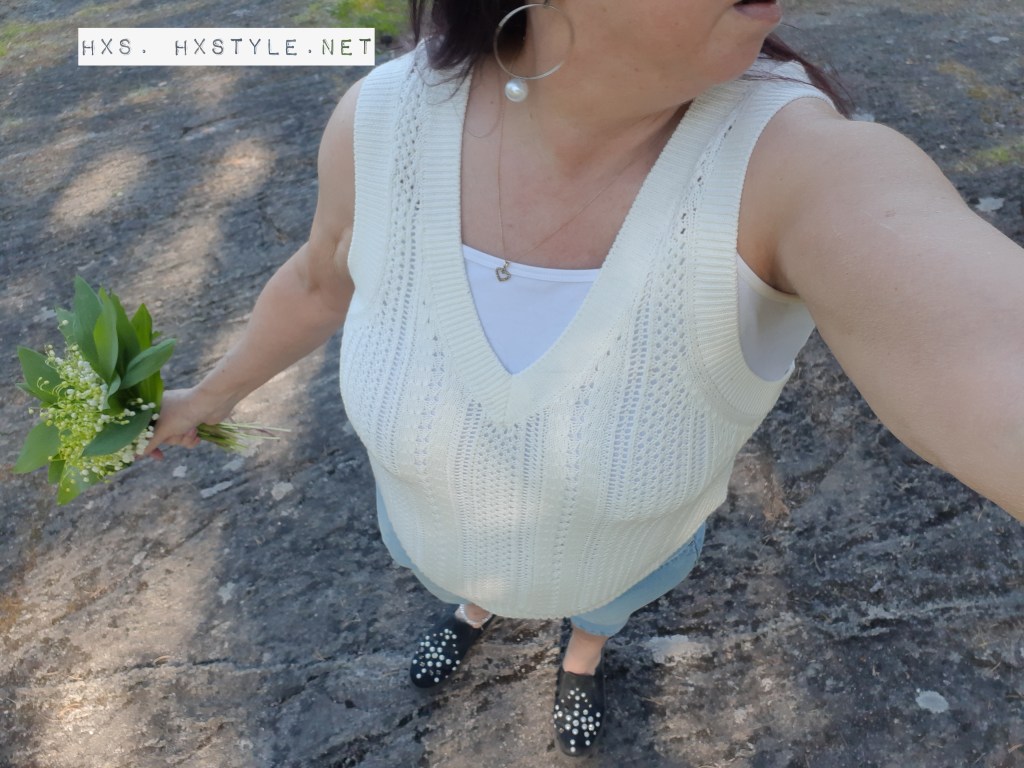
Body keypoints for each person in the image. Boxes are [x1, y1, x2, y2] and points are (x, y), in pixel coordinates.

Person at [147, 0, 1024, 756]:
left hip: (627, 562)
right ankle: (475, 609)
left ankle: (583, 656)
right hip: (431, 539)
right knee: (471, 583)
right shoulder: (381, 119)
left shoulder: (802, 169)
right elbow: (318, 280)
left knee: (606, 601)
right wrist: (205, 399)